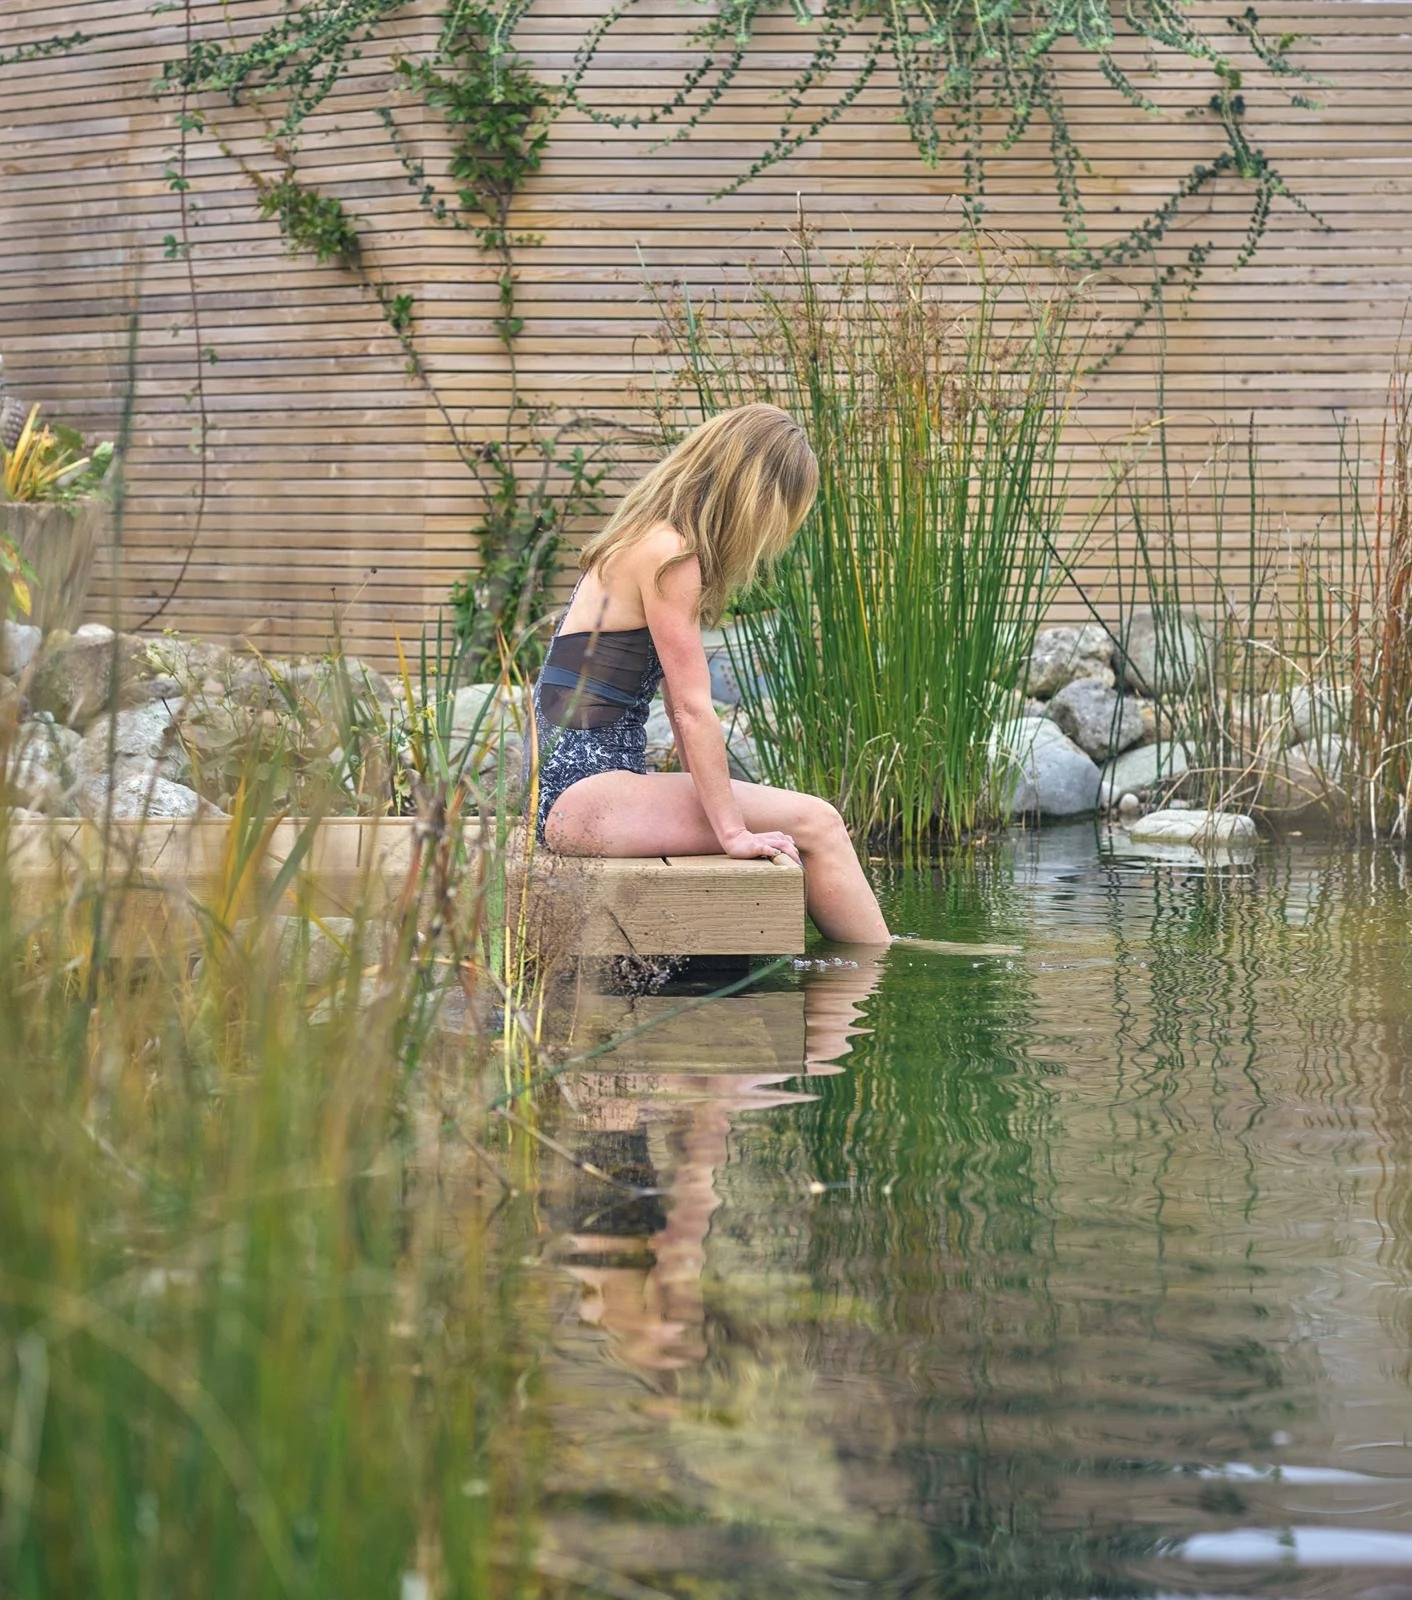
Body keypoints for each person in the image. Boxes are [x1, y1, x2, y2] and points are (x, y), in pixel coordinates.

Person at [526, 402, 892, 945]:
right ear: (755, 494)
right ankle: (877, 980)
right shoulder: (670, 554)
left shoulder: (642, 538)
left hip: (575, 796)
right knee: (819, 822)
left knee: (814, 821)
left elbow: (675, 707)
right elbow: (693, 710)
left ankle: (876, 960)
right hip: (588, 801)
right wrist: (732, 833)